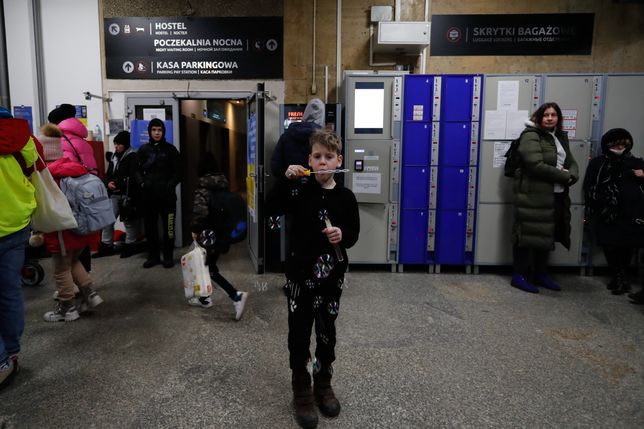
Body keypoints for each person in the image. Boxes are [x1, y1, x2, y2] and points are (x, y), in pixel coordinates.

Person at [266, 130, 360, 428]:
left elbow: (354, 234)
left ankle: (322, 382)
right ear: (308, 160)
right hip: (299, 276)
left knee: (326, 332)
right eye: (317, 157)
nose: (322, 163)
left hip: (331, 279)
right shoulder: (298, 190)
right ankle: (302, 389)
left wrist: (342, 234)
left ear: (339, 160)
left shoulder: (346, 197)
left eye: (328, 157)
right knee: (299, 333)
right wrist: (285, 179)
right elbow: (271, 208)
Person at [510, 102, 579, 293]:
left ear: (558, 118)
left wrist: (573, 173)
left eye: (554, 115)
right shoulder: (530, 135)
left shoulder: (559, 137)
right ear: (539, 117)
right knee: (525, 235)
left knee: (546, 235)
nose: (550, 118)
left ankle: (540, 273)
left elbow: (571, 161)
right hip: (532, 196)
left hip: (555, 195)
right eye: (546, 115)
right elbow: (535, 165)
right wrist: (566, 176)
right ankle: (519, 275)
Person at [0, 107, 43, 389]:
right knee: (10, 291)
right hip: (16, 223)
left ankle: (2, 360)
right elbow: (36, 167)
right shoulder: (23, 138)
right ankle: (11, 353)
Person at [583, 128, 644, 300]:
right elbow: (589, 186)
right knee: (610, 243)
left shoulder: (636, 162)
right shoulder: (598, 163)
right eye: (615, 143)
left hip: (632, 212)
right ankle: (618, 277)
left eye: (622, 143)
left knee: (628, 245)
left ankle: (621, 278)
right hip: (606, 211)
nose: (619, 146)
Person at [42, 156, 104, 322]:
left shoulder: (50, 177)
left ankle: (67, 308)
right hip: (83, 229)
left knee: (61, 268)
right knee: (74, 261)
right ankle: (90, 294)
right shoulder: (77, 170)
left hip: (63, 231)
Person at [189, 152, 248, 320]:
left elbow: (200, 214)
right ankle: (204, 298)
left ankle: (236, 296)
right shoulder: (222, 184)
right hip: (222, 234)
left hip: (209, 236)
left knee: (210, 269)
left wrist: (194, 230)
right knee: (206, 266)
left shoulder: (202, 189)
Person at [48, 104, 96, 273]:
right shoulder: (81, 140)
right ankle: (86, 275)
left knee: (71, 238)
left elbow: (65, 169)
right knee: (84, 233)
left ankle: (76, 282)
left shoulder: (62, 141)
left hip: (71, 194)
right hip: (87, 191)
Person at [137, 118, 181, 268]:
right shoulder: (143, 150)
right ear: (149, 131)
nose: (157, 133)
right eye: (154, 130)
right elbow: (136, 170)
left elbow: (179, 172)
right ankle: (153, 256)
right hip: (149, 197)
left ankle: (168, 256)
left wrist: (170, 185)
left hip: (167, 197)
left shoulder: (171, 150)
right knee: (150, 228)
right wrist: (142, 182)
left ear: (163, 131)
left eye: (160, 130)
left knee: (169, 228)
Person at [94, 131, 141, 258]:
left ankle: (130, 245)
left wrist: (116, 182)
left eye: (119, 144)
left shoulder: (133, 157)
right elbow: (109, 174)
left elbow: (132, 175)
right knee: (108, 221)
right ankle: (106, 246)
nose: (116, 147)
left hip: (127, 194)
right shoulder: (114, 157)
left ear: (125, 144)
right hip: (113, 194)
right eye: (115, 144)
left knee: (129, 222)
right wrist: (108, 182)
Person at [271, 98, 325, 180]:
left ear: (305, 113)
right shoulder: (324, 139)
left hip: (289, 187)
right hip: (317, 187)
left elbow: (275, 167)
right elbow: (334, 170)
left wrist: (287, 174)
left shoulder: (286, 136)